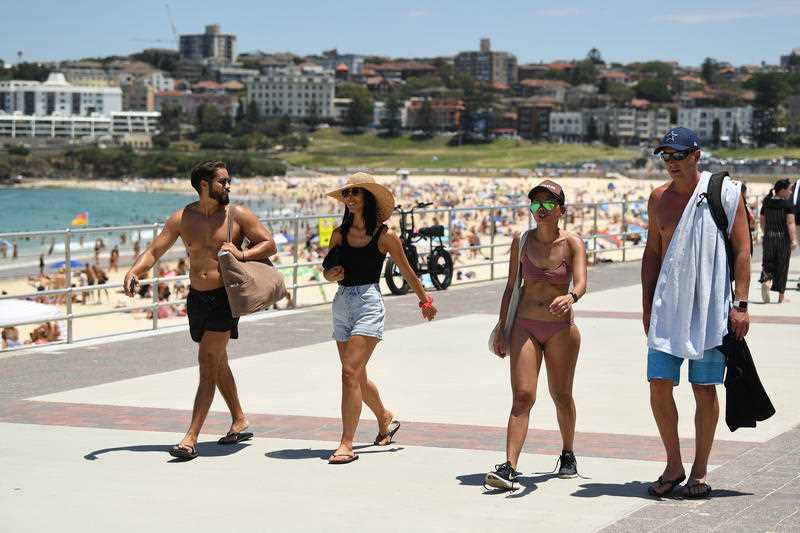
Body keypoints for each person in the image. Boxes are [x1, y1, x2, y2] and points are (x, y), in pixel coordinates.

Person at [123, 160, 276, 461]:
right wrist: (134, 270)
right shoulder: (183, 218)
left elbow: (269, 244)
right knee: (217, 362)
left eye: (229, 180)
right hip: (197, 298)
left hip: (225, 297)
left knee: (207, 360)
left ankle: (190, 438)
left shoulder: (238, 214)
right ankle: (240, 419)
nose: (228, 186)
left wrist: (242, 252)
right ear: (204, 185)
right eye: (223, 181)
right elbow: (155, 250)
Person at [643, 128, 751, 499]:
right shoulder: (658, 199)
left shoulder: (725, 194)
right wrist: (646, 309)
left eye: (677, 155)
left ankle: (700, 471)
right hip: (667, 309)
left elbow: (742, 251)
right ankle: (674, 463)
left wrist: (741, 304)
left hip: (710, 308)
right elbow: (653, 255)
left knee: (704, 388)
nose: (671, 163)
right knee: (659, 386)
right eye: (665, 156)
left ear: (696, 155)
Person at [322, 173, 437, 464]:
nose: (349, 199)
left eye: (355, 193)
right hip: (342, 304)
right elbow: (327, 268)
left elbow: (408, 271)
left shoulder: (385, 236)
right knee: (357, 374)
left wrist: (425, 301)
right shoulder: (338, 234)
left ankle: (346, 443)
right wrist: (329, 274)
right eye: (346, 194)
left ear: (368, 198)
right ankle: (384, 417)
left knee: (349, 372)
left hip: (368, 304)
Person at [486, 180, 588, 490]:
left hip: (561, 330)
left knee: (561, 394)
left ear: (561, 210)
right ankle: (509, 467)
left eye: (547, 204)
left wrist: (571, 296)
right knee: (523, 395)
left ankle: (568, 452)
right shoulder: (522, 241)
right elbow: (510, 287)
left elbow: (582, 282)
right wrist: (503, 328)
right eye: (535, 204)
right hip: (525, 325)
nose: (540, 210)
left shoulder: (572, 243)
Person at [759, 179, 798, 304]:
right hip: (783, 239)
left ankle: (767, 281)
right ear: (782, 190)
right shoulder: (787, 205)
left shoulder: (766, 201)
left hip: (769, 237)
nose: (791, 192)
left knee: (768, 263)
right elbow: (790, 223)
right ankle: (781, 297)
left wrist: (767, 233)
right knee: (782, 265)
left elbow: (762, 220)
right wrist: (794, 240)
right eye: (789, 189)